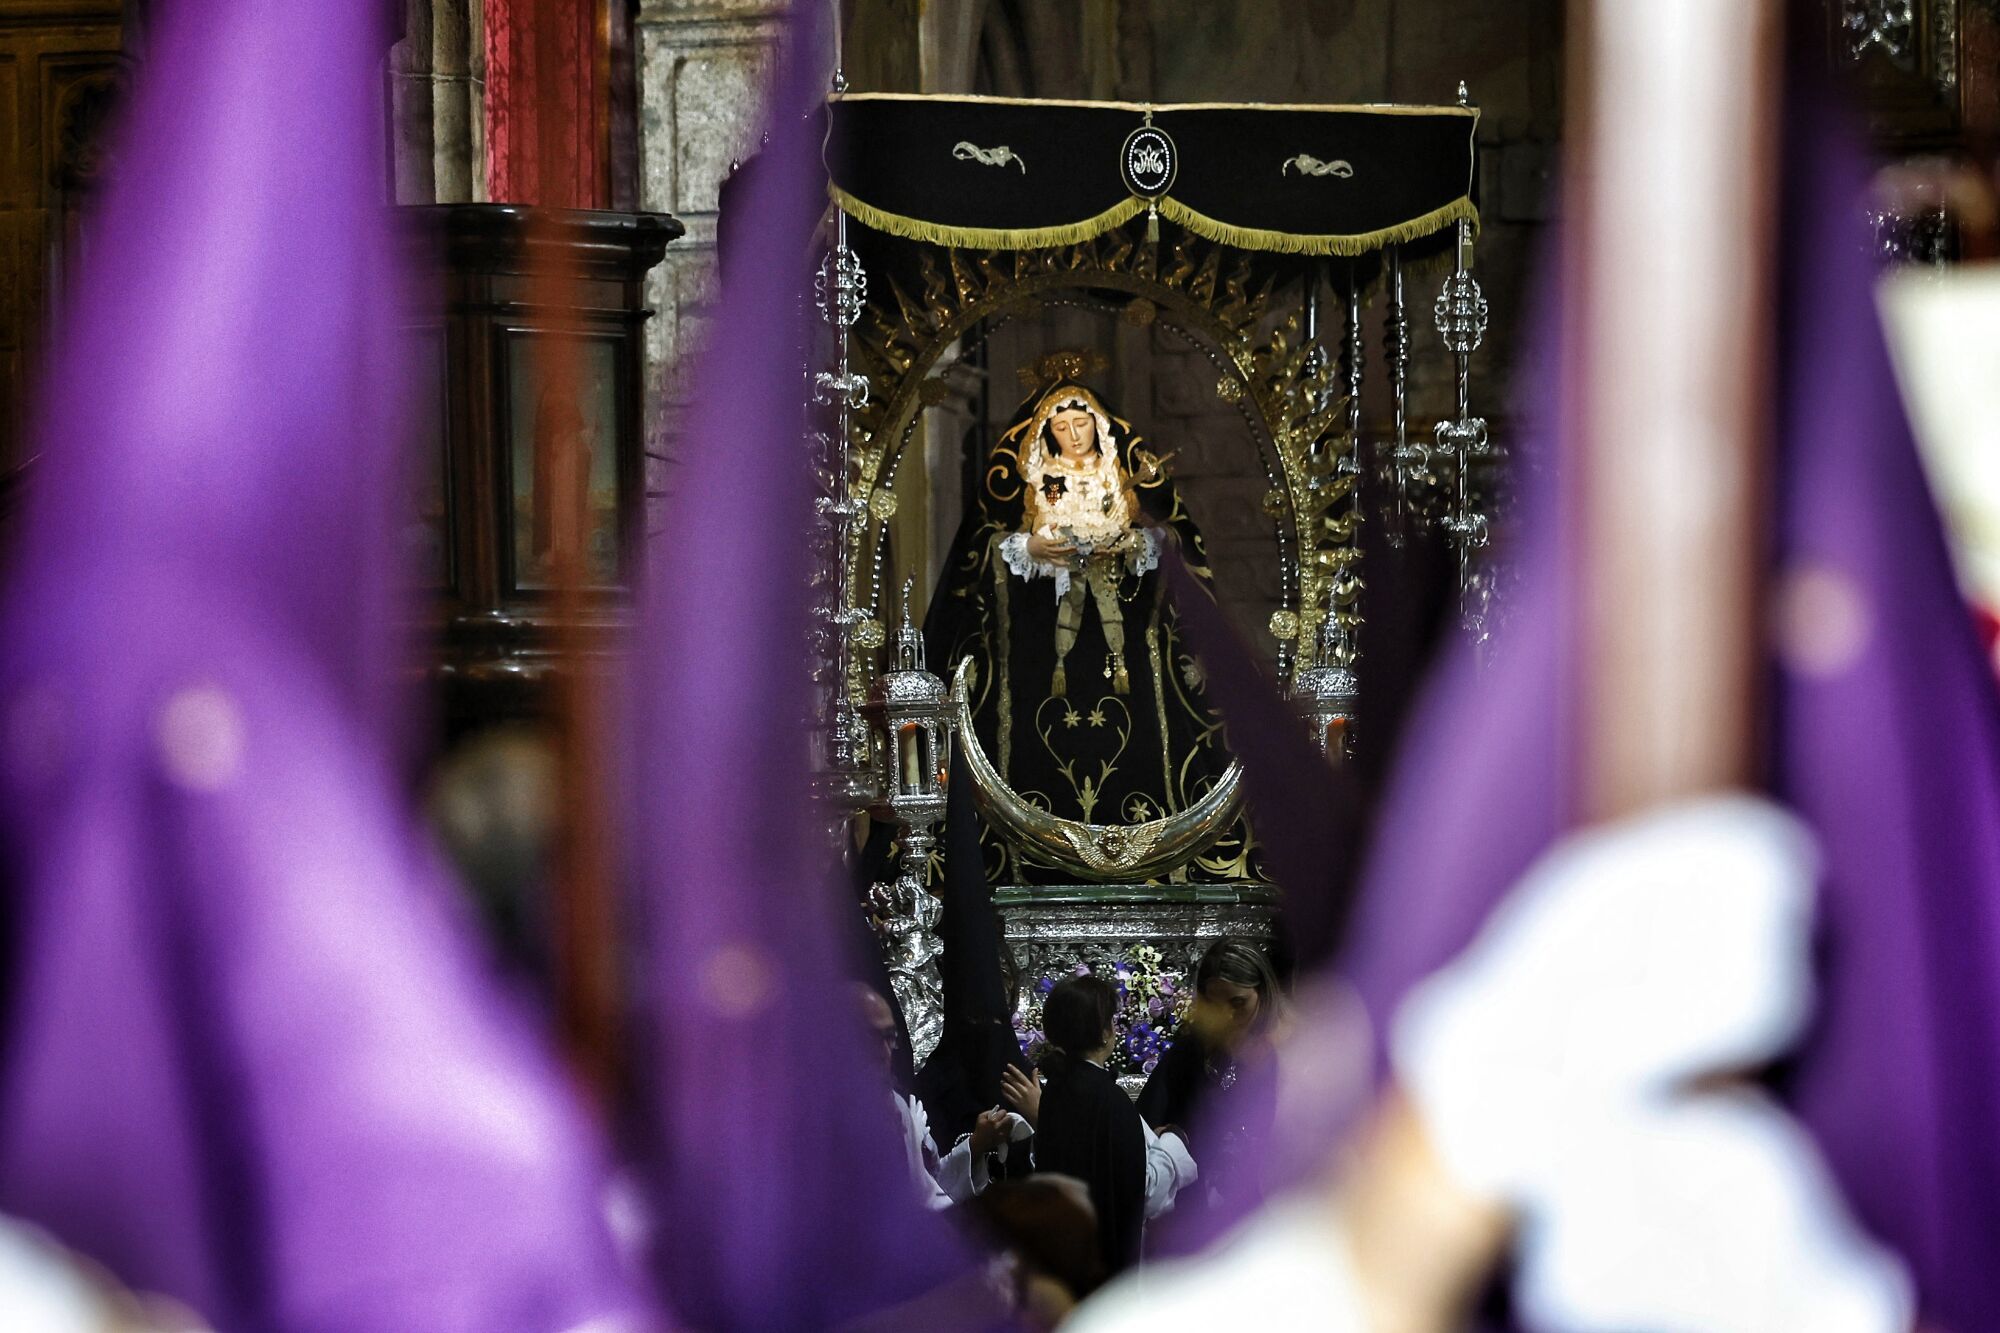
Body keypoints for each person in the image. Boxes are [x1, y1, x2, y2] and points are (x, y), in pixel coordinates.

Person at [1019, 974, 1196, 1273]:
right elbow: (1144, 1193)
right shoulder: (1109, 1100)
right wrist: (1173, 1141)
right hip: (1107, 1259)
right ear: (1103, 1033)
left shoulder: (1056, 1091)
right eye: (1111, 1021)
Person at [1137, 938, 1283, 1225]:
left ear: (1263, 994)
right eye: (1214, 1004)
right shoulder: (1189, 1054)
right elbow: (1146, 1126)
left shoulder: (1286, 1052)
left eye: (1238, 1003)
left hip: (1269, 1210)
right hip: (1197, 1211)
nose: (1227, 1016)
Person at [856, 986, 1015, 1209]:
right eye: (870, 1037)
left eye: (890, 1037)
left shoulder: (898, 1107)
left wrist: (975, 1146)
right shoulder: (810, 1119)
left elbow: (926, 1189)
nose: (884, 1051)